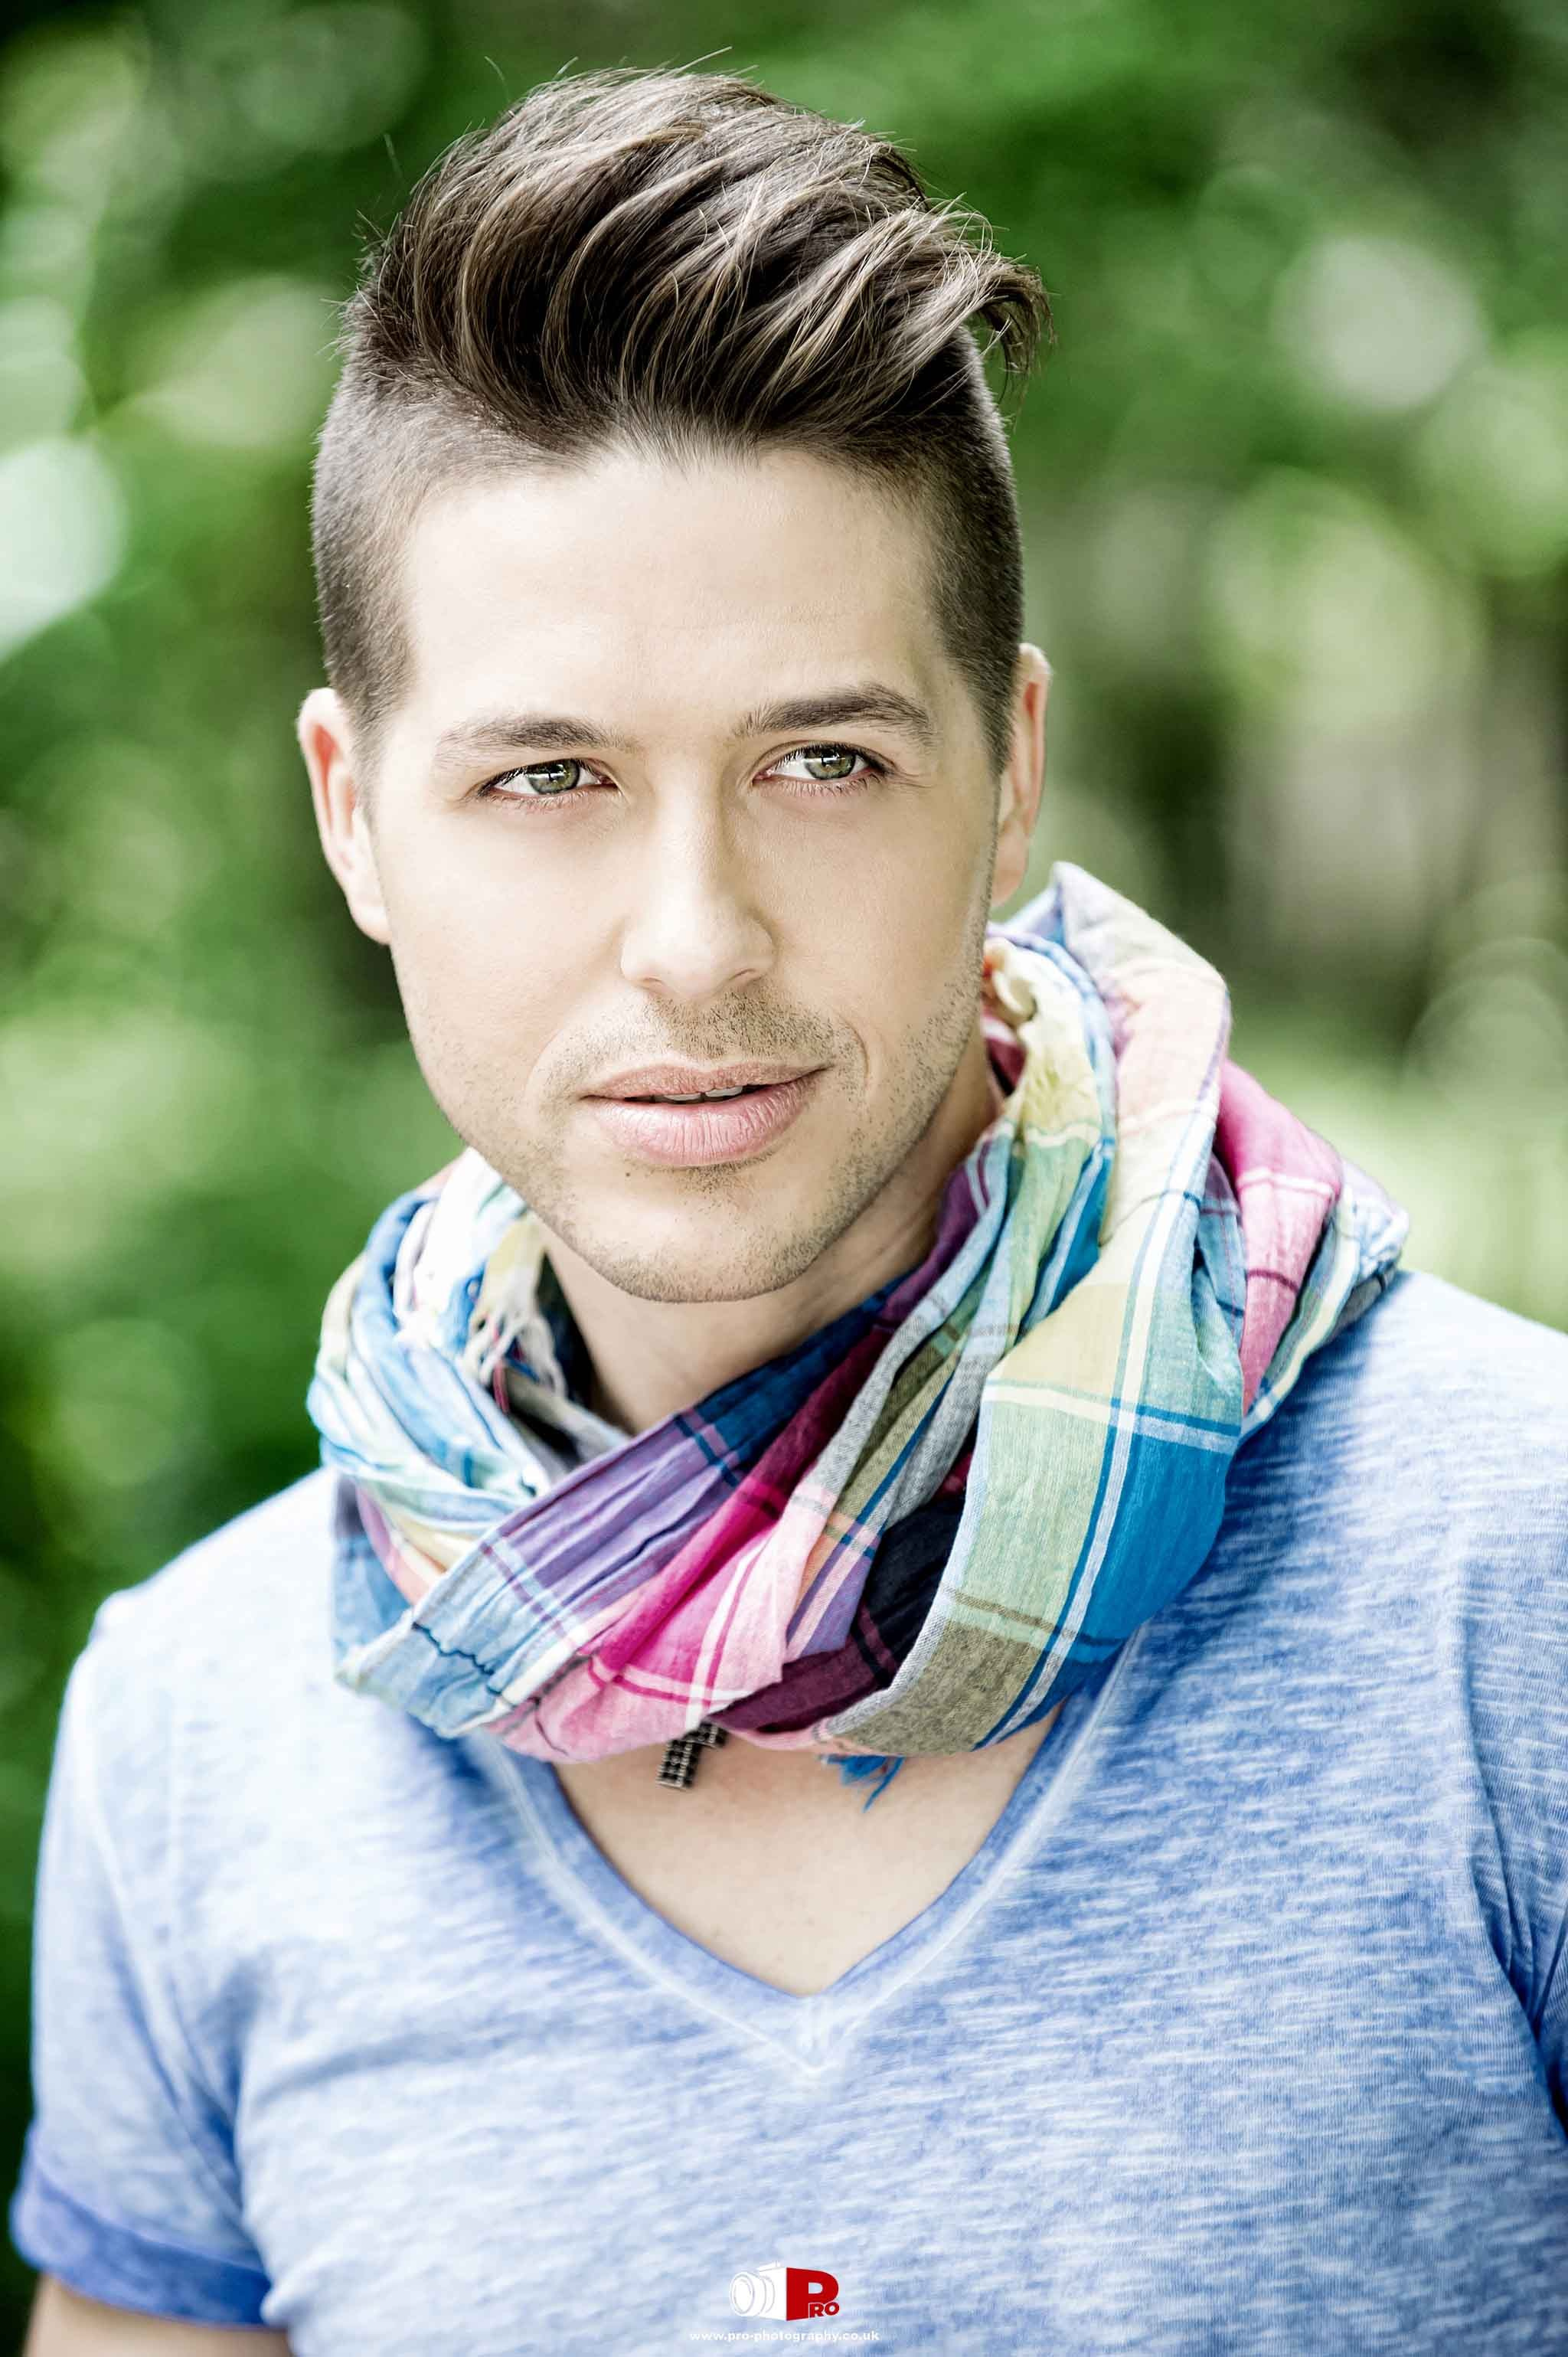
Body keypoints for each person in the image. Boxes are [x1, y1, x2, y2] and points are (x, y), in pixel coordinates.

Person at [11, 62, 1568, 2357]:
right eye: (546, 778)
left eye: (821, 762)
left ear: (1012, 767)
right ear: (354, 818)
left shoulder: (1509, 1583)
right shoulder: (206, 1730)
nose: (695, 938)